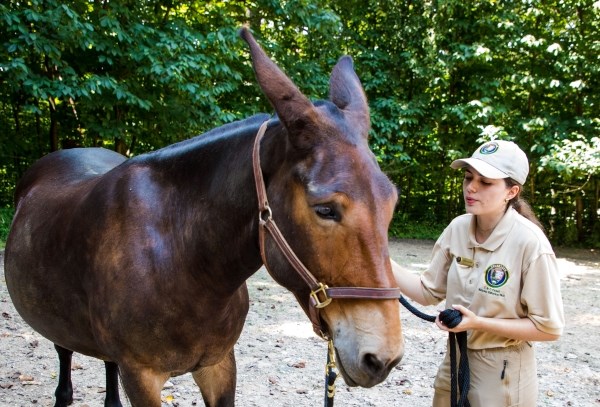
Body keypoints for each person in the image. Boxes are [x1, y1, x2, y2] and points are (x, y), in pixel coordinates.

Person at [392, 140, 564, 406]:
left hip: (503, 371)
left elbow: (548, 328)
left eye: (486, 182)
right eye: (468, 177)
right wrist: (378, 258)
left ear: (511, 191)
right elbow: (427, 292)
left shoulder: (530, 243)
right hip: (456, 359)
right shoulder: (457, 229)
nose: (471, 187)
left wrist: (478, 323)